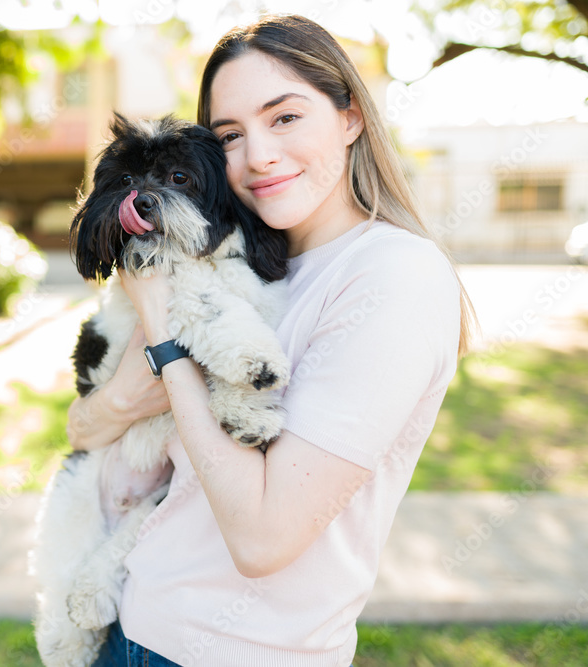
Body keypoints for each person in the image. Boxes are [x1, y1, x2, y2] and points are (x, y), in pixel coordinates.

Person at [68, 13, 477, 667]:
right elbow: (84, 429)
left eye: (284, 117)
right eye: (230, 134)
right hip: (134, 618)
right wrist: (118, 398)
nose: (258, 155)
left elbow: (263, 539)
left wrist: (167, 339)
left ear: (350, 117)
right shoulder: (239, 261)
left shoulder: (391, 275)